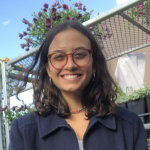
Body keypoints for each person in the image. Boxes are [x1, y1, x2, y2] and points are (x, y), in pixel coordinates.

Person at [9, 21, 148, 150]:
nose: (70, 65)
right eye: (58, 57)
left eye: (80, 54)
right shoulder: (23, 131)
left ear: (94, 65)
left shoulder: (129, 124)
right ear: (48, 70)